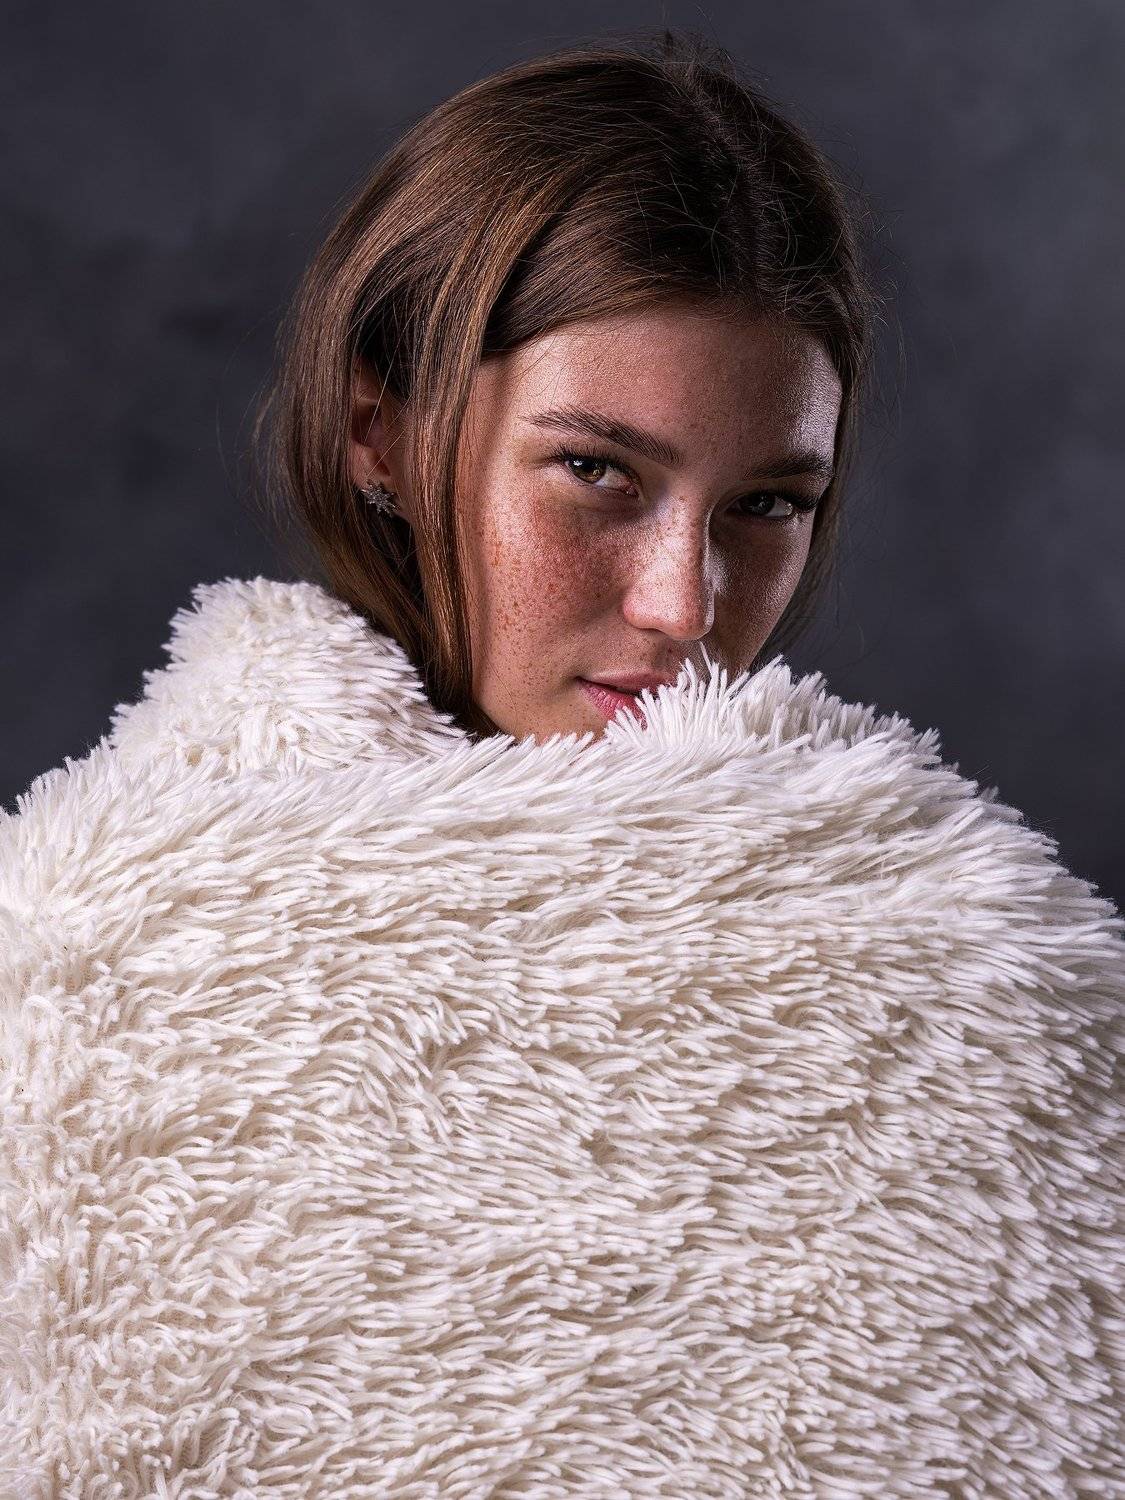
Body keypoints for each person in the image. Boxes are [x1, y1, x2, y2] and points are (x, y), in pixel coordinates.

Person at [3, 31, 1123, 1497]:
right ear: (380, 432)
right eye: (597, 470)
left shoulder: (970, 969)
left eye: (767, 504)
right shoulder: (78, 963)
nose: (683, 603)